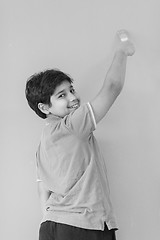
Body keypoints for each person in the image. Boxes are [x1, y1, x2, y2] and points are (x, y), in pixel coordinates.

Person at [25, 30, 135, 240]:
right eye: (62, 95)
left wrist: (52, 223)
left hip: (52, 225)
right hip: (84, 227)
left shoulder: (43, 143)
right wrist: (122, 50)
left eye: (72, 90)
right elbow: (112, 87)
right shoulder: (73, 125)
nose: (73, 98)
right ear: (44, 107)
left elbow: (43, 190)